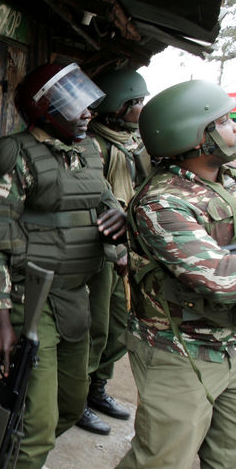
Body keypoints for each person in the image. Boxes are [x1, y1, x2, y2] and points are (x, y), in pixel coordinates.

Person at [85, 80, 236, 469]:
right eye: (223, 122)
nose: (235, 128)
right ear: (196, 137)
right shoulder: (161, 202)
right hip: (179, 350)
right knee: (163, 456)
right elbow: (218, 276)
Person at [0, 62, 126, 469]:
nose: (86, 111)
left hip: (74, 299)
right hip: (28, 302)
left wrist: (120, 226)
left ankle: (31, 456)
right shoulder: (13, 155)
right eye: (72, 102)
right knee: (36, 416)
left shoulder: (89, 153)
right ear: (44, 110)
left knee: (70, 402)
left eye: (85, 99)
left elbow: (105, 208)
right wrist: (1, 318)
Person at [76, 69, 151, 435]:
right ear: (118, 107)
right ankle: (76, 401)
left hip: (128, 246)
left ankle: (97, 390)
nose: (141, 109)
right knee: (97, 327)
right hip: (101, 250)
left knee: (121, 328)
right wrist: (115, 250)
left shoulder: (134, 144)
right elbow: (94, 200)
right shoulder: (96, 145)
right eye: (135, 102)